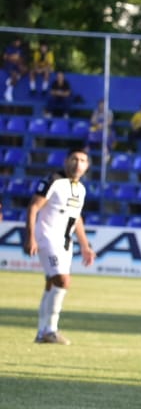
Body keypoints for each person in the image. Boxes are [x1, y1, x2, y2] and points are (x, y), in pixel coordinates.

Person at [26, 147, 96, 345]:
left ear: (87, 166)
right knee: (63, 281)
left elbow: (77, 218)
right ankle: (51, 329)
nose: (78, 163)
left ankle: (42, 333)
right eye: (74, 159)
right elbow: (33, 207)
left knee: (52, 284)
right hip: (47, 238)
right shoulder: (53, 180)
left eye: (83, 160)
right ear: (66, 161)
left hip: (65, 243)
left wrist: (85, 245)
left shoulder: (80, 188)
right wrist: (30, 237)